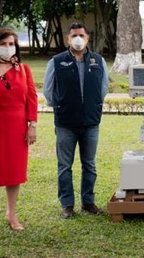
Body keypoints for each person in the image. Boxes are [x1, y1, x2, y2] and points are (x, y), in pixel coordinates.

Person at [43, 22, 109, 219]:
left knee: (89, 164)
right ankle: (67, 204)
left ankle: (88, 202)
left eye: (81, 35)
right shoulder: (56, 61)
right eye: (74, 35)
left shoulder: (98, 61)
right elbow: (48, 90)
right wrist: (62, 105)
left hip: (91, 122)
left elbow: (103, 88)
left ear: (87, 38)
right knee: (65, 166)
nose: (78, 38)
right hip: (65, 123)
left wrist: (92, 105)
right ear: (68, 39)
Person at [0, 28, 38, 235]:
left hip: (18, 129)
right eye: (4, 44)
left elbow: (32, 98)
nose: (8, 47)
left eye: (12, 44)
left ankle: (11, 213)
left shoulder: (24, 70)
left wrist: (32, 125)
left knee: (15, 173)